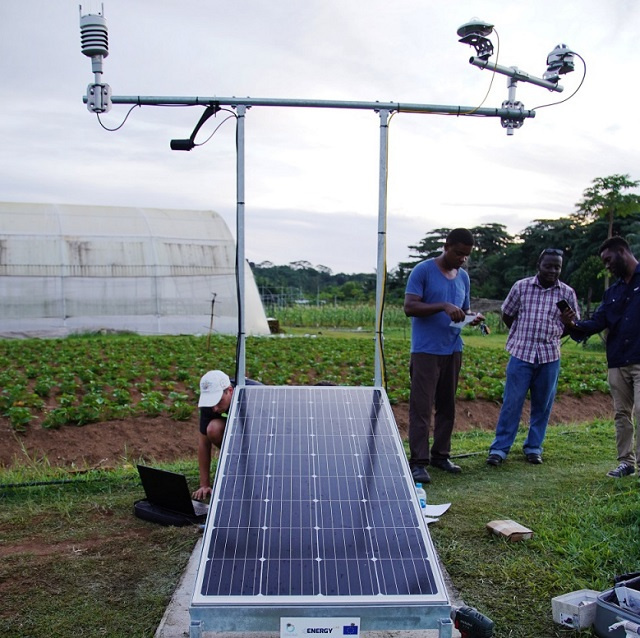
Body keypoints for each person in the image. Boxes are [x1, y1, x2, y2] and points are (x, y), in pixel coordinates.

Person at [404, 228, 484, 483]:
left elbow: (463, 308)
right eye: (459, 253)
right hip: (426, 350)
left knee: (447, 405)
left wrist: (471, 317)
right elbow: (410, 307)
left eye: (467, 256)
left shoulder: (463, 278)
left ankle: (441, 455)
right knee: (421, 407)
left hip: (453, 348)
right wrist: (442, 306)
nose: (462, 259)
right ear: (446, 246)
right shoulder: (423, 270)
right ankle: (418, 461)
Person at [486, 248, 579, 466]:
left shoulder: (567, 293)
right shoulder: (521, 287)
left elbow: (573, 326)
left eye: (557, 267)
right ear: (539, 265)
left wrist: (566, 324)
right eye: (548, 266)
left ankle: (534, 447)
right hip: (521, 354)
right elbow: (508, 314)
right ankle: (499, 449)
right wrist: (521, 336)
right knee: (512, 402)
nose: (552, 271)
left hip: (549, 356)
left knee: (542, 405)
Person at [560, 236, 640, 478]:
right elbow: (597, 322)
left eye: (608, 260)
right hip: (617, 360)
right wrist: (572, 323)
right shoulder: (612, 292)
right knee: (621, 413)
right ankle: (626, 462)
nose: (607, 266)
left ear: (622, 252)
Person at [193, 369, 234, 500]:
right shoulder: (209, 406)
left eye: (219, 401)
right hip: (234, 427)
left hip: (258, 431)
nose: (215, 409)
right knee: (213, 429)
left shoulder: (252, 398)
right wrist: (204, 484)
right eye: (211, 402)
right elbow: (203, 444)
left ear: (230, 391)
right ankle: (235, 463)